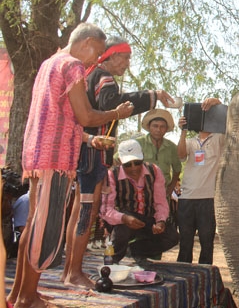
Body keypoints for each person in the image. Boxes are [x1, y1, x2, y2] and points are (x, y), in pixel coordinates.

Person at [8, 22, 134, 308]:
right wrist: (117, 112)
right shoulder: (73, 65)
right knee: (46, 227)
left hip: (38, 154)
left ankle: (19, 294)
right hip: (55, 158)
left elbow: (62, 117)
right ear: (87, 42)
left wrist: (89, 141)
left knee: (33, 223)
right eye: (98, 52)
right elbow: (86, 115)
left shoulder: (49, 63)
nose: (96, 59)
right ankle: (28, 297)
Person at [62, 36, 174, 288]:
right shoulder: (104, 77)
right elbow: (111, 103)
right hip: (93, 153)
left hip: (88, 151)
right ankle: (74, 272)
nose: (128, 63)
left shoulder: (91, 75)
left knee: (81, 212)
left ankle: (71, 269)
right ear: (112, 56)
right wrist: (151, 96)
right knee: (86, 214)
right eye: (126, 57)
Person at [102, 139, 179, 264]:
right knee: (122, 229)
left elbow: (160, 202)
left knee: (172, 237)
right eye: (128, 164)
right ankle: (112, 261)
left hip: (148, 219)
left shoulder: (154, 171)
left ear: (142, 158)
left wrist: (160, 221)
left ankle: (134, 251)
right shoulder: (111, 175)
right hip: (124, 220)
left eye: (137, 162)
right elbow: (105, 210)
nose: (133, 168)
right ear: (121, 162)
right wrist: (124, 218)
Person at [176, 98, 225, 264]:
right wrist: (183, 130)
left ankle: (204, 277)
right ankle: (183, 275)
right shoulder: (190, 142)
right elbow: (181, 155)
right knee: (185, 242)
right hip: (187, 199)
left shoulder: (219, 139)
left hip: (208, 199)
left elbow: (229, 122)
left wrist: (217, 103)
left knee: (206, 242)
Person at [134, 109, 182, 198]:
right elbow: (118, 160)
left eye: (162, 126)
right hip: (140, 193)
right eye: (155, 126)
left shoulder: (171, 147)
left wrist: (171, 188)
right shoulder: (137, 143)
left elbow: (177, 169)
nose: (158, 130)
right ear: (149, 127)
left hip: (163, 194)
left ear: (166, 129)